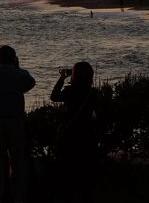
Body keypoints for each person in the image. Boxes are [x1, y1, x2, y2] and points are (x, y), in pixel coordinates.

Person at [0, 45, 35, 203]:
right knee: (17, 162)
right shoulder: (21, 74)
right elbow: (30, 84)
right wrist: (17, 68)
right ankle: (17, 196)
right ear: (14, 58)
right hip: (15, 121)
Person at [50, 62, 98, 202]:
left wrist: (62, 78)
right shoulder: (93, 93)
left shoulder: (69, 92)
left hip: (69, 136)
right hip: (87, 135)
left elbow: (54, 97)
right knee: (85, 173)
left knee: (67, 172)